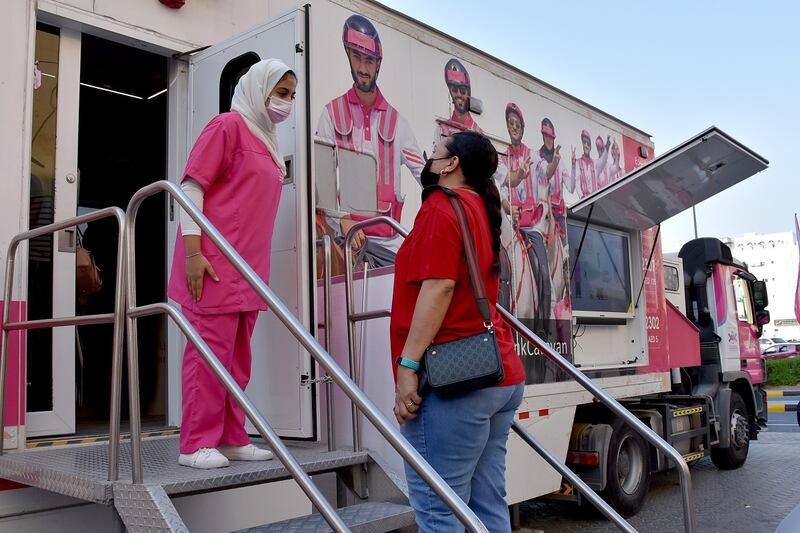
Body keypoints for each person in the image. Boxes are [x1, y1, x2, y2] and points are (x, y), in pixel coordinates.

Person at [390, 131, 525, 531]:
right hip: (498, 372)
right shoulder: (479, 209)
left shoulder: (439, 206)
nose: (428, 159)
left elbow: (440, 286)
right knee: (486, 504)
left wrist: (407, 365)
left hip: (455, 380)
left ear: (451, 165)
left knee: (438, 510)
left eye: (435, 154)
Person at [167, 59, 297, 469]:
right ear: (258, 89)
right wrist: (192, 253)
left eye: (291, 95)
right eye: (281, 92)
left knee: (238, 357)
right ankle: (195, 444)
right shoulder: (227, 126)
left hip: (248, 269)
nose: (286, 103)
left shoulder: (268, 139)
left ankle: (230, 436)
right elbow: (190, 187)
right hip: (212, 262)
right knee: (209, 354)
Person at [316, 14, 424, 266]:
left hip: (391, 244)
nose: (363, 68)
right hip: (346, 239)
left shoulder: (398, 123)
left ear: (378, 63)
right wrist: (342, 218)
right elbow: (321, 176)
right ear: (348, 56)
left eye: (369, 60)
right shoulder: (331, 113)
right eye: (357, 57)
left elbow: (424, 175)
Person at [434, 58, 483, 148]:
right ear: (450, 93)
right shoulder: (442, 129)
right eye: (455, 90)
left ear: (469, 93)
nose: (459, 94)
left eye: (463, 91)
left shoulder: (479, 133)